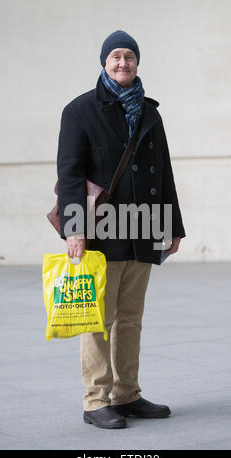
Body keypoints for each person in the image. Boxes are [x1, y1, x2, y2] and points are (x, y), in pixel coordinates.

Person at [57, 30, 186, 429]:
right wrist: (74, 229)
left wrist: (173, 227)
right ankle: (97, 400)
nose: (122, 63)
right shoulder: (79, 111)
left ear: (137, 63)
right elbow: (71, 174)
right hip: (101, 232)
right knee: (98, 319)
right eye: (115, 57)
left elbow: (163, 172)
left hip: (142, 229)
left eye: (129, 57)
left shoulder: (150, 113)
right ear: (103, 62)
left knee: (130, 319)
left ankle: (127, 394)